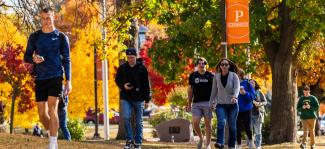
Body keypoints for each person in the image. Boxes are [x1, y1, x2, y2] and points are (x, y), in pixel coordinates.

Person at [24, 7, 71, 149]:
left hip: (56, 77)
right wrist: (33, 59)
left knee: (53, 109)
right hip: (40, 78)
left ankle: (52, 143)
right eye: (43, 18)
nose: (46, 21)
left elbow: (67, 60)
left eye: (48, 18)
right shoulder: (35, 36)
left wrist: (68, 81)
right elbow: (26, 56)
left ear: (54, 17)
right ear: (40, 18)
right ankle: (53, 133)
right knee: (42, 114)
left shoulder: (61, 37)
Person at [115, 48, 151, 149]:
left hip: (139, 98)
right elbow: (117, 80)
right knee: (126, 118)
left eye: (132, 57)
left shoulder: (142, 68)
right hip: (126, 97)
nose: (130, 59)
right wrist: (123, 86)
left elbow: (146, 85)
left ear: (136, 56)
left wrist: (147, 99)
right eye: (128, 57)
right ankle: (129, 140)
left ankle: (138, 142)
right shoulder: (122, 68)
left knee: (138, 121)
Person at [209, 58, 240, 149]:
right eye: (222, 64)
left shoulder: (234, 75)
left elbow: (237, 88)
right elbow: (214, 90)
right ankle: (220, 143)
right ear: (220, 66)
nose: (224, 66)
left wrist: (235, 96)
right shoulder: (216, 76)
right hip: (221, 104)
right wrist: (211, 103)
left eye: (226, 64)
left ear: (229, 66)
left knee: (232, 126)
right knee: (221, 122)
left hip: (233, 105)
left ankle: (231, 145)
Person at [186, 57, 214, 149]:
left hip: (208, 103)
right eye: (200, 63)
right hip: (196, 103)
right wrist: (189, 104)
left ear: (206, 65)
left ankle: (208, 144)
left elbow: (215, 90)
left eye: (204, 63)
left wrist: (214, 102)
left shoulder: (210, 76)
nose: (202, 65)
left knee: (208, 124)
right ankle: (201, 138)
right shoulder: (193, 76)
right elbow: (190, 90)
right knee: (195, 123)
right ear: (197, 65)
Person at [236, 69, 255, 149]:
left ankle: (251, 141)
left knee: (248, 127)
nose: (235, 75)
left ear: (241, 75)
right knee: (237, 128)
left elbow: (253, 96)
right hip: (236, 109)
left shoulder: (247, 83)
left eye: (237, 74)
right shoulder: (233, 84)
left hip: (247, 109)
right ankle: (239, 145)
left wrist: (245, 93)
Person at [249, 79, 267, 149]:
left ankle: (258, 146)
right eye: (250, 83)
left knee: (258, 132)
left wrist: (259, 104)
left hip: (258, 115)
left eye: (253, 83)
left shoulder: (259, 92)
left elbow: (265, 101)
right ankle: (251, 145)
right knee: (249, 131)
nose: (251, 84)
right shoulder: (246, 92)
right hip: (249, 114)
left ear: (255, 84)